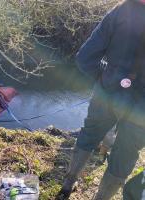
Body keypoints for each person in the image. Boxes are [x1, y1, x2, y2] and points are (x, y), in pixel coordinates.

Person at [56, 0, 145, 199]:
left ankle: (68, 185)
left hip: (108, 92)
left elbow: (85, 57)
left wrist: (105, 79)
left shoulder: (121, 11)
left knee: (89, 135)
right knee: (125, 156)